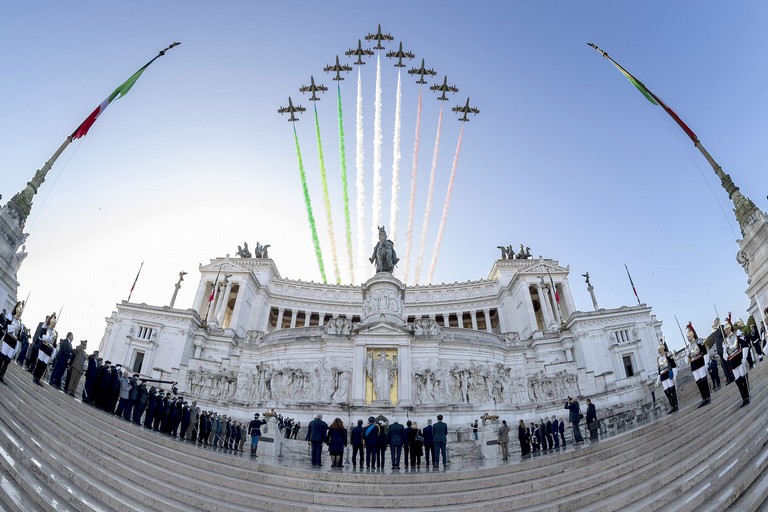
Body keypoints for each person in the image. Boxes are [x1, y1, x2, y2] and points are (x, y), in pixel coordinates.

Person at [724, 317, 751, 407]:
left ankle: (747, 396)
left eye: (727, 328)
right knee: (738, 381)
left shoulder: (737, 334)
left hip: (739, 358)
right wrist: (725, 353)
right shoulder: (725, 341)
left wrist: (744, 357)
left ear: (730, 328)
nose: (726, 331)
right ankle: (743, 398)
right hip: (732, 361)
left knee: (743, 378)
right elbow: (725, 355)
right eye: (725, 330)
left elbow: (744, 345)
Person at [686, 322, 711, 407]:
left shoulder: (698, 341)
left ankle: (708, 397)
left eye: (689, 336)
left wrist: (706, 363)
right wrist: (687, 355)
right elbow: (688, 360)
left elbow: (704, 352)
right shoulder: (688, 346)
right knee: (699, 383)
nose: (688, 338)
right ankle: (703, 398)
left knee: (704, 381)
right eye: (687, 337)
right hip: (693, 365)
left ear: (692, 335)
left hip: (700, 362)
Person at [0, 301, 24, 383]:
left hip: (13, 342)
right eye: (19, 311)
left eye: (21, 312)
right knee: (2, 357)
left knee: (7, 360)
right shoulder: (11, 316)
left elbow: (19, 336)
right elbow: (5, 326)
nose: (20, 313)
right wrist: (13, 328)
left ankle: (2, 375)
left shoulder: (21, 323)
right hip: (7, 339)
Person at [656, 345, 678, 414]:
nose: (658, 350)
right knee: (667, 393)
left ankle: (676, 406)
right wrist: (657, 381)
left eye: (659, 349)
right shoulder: (658, 359)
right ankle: (672, 406)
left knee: (672, 391)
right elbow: (659, 371)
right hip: (663, 377)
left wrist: (674, 376)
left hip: (669, 374)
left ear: (663, 348)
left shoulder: (668, 355)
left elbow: (673, 365)